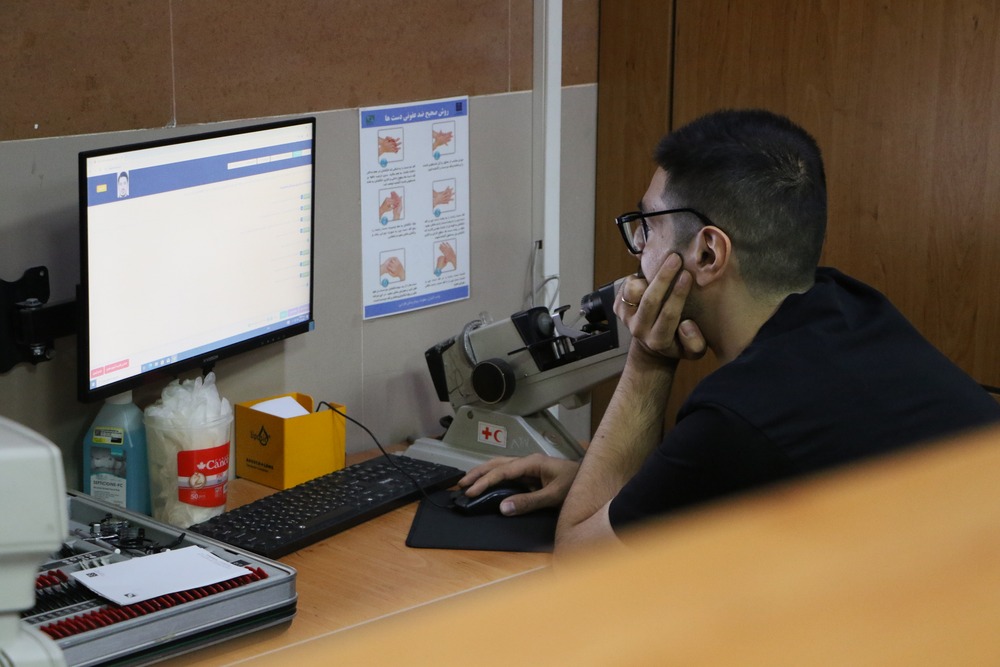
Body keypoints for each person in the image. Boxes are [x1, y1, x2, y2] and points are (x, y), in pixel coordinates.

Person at [458, 109, 1000, 556]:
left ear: (708, 253)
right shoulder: (851, 304)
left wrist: (649, 358)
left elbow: (582, 562)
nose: (639, 250)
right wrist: (611, 489)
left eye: (647, 227)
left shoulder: (741, 414)